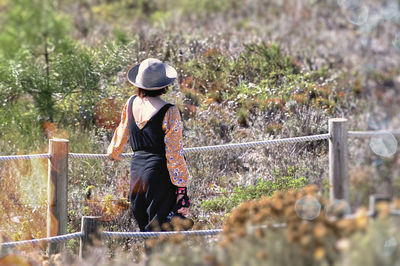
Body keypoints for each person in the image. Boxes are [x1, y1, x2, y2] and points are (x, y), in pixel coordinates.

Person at [107, 58, 191, 232]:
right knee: (159, 231)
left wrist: (113, 152)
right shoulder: (170, 111)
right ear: (164, 85)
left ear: (139, 83)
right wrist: (182, 189)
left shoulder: (130, 104)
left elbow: (122, 130)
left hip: (136, 174)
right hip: (159, 174)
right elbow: (174, 152)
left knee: (144, 229)